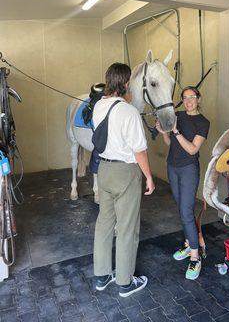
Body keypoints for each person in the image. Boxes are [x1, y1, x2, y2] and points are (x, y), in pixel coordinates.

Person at [93, 62, 155, 297]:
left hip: (104, 170)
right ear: (127, 84)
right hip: (126, 172)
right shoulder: (128, 111)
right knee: (128, 228)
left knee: (104, 223)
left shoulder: (99, 105)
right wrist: (148, 176)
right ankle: (125, 282)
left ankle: (102, 275)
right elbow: (139, 150)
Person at [156, 86, 209, 280]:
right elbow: (170, 143)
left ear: (198, 99)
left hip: (188, 169)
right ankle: (189, 244)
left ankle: (195, 257)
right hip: (172, 166)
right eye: (185, 98)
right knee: (182, 209)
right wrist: (164, 132)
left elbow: (193, 149)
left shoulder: (203, 122)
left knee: (186, 211)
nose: (188, 101)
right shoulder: (177, 114)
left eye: (192, 97)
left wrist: (176, 130)